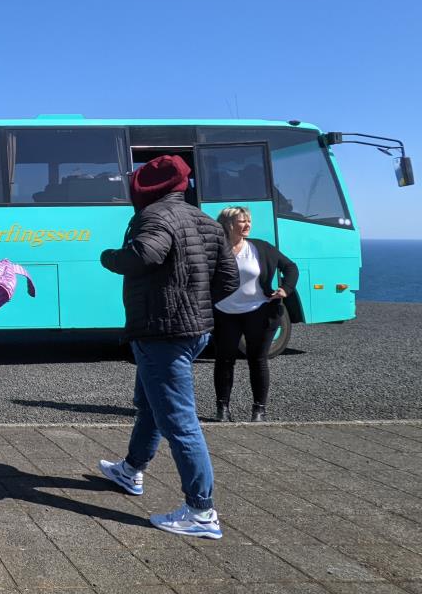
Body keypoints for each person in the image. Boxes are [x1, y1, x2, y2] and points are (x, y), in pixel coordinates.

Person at [97, 155, 239, 539]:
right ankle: (130, 470)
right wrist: (195, 305)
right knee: (149, 404)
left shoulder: (155, 217)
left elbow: (145, 254)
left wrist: (110, 257)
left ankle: (201, 511)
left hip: (162, 333)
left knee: (180, 422)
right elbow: (229, 279)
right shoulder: (206, 221)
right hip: (195, 331)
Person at [212, 206, 300, 423]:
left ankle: (259, 410)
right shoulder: (214, 250)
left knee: (257, 360)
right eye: (242, 221)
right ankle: (222, 409)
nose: (248, 225)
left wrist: (285, 289)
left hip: (259, 313)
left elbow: (290, 267)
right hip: (224, 314)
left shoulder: (261, 248)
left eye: (249, 221)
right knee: (224, 360)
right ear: (228, 225)